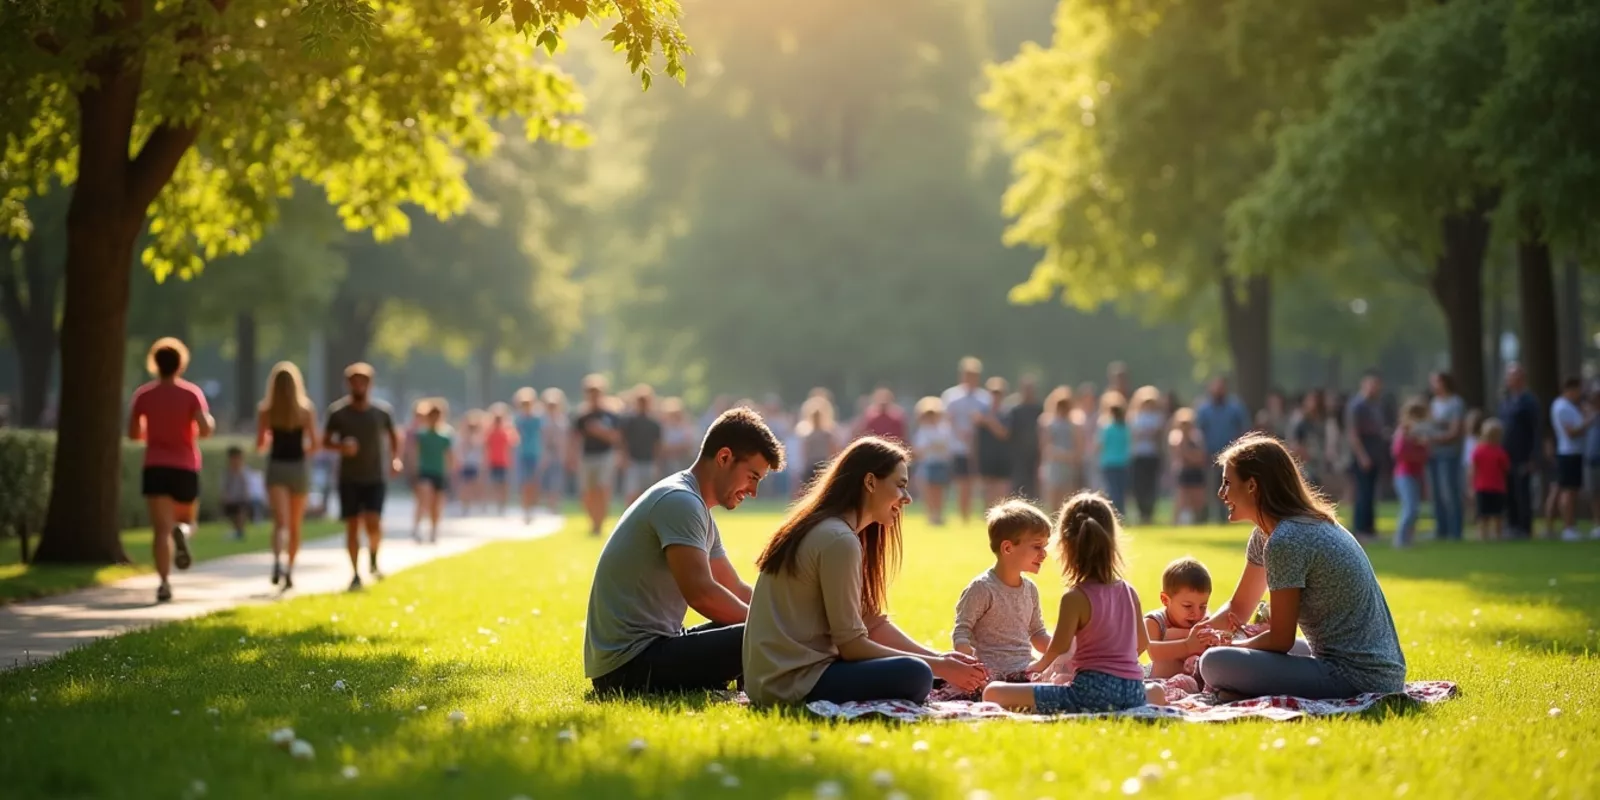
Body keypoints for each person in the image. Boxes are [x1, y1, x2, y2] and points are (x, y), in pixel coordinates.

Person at [743, 436, 988, 706]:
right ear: (870, 482)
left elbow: (871, 621)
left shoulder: (831, 530)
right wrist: (936, 667)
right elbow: (853, 647)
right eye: (900, 485)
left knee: (924, 669)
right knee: (916, 674)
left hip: (773, 681)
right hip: (793, 684)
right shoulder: (838, 540)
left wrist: (940, 659)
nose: (907, 498)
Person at [584, 408, 785, 695]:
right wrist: (776, 630)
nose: (753, 491)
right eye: (752, 476)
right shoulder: (680, 501)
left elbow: (735, 588)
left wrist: (787, 617)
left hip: (653, 648)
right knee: (758, 635)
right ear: (724, 457)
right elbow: (702, 594)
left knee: (760, 631)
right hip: (627, 667)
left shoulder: (696, 507)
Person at [1197, 434, 1406, 700]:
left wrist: (1231, 644)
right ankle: (1236, 688)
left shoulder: (1287, 539)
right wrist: (1196, 638)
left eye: (1227, 483)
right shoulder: (1270, 533)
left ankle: (1235, 688)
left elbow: (1280, 640)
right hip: (1363, 666)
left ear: (1252, 485)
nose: (1221, 493)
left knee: (1214, 662)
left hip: (1356, 676)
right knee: (1219, 653)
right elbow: (1239, 608)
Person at [983, 492, 1151, 714]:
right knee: (1154, 690)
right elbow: (1142, 643)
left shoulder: (1075, 598)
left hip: (1089, 693)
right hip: (1134, 692)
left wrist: (1039, 667)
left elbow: (1059, 647)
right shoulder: (1129, 592)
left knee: (993, 692)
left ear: (1067, 546)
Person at [127, 337, 215, 603]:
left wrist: (152, 433)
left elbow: (133, 434)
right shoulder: (191, 394)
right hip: (185, 465)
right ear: (180, 364)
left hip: (155, 465)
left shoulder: (143, 395)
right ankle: (184, 533)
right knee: (188, 521)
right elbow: (206, 430)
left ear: (155, 363)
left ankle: (164, 583)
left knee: (160, 531)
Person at [938, 500, 1053, 700]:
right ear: (1007, 548)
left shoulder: (1031, 590)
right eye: (1037, 546)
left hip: (1024, 671)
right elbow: (962, 630)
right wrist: (970, 666)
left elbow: (1037, 633)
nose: (1044, 554)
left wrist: (1065, 650)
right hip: (989, 675)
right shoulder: (982, 588)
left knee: (1059, 684)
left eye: (1045, 546)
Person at [323, 362, 400, 592]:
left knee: (373, 523)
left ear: (370, 384)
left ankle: (374, 557)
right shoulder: (337, 413)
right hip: (349, 478)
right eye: (354, 381)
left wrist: (395, 459)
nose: (359, 385)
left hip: (375, 476)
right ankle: (355, 573)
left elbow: (394, 437)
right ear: (348, 384)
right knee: (352, 525)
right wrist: (340, 447)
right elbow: (325, 441)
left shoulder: (382, 412)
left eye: (363, 381)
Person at [256, 360, 317, 589]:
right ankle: (290, 569)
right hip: (298, 467)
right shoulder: (305, 410)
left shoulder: (266, 411)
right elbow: (315, 443)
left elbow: (260, 443)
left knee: (280, 523)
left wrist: (270, 440)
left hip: (277, 467)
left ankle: (276, 561)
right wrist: (303, 448)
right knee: (295, 525)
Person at [1144, 557, 1223, 699]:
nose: (1196, 613)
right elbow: (1152, 651)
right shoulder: (1154, 621)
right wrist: (1188, 644)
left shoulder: (1202, 621)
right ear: (1165, 600)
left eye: (1203, 606)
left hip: (1192, 686)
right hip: (1159, 682)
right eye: (1188, 606)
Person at [941, 357, 992, 524]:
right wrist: (959, 432)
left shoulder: (985, 398)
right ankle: (964, 518)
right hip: (959, 446)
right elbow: (947, 419)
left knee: (978, 483)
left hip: (979, 447)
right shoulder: (951, 396)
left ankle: (982, 515)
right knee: (962, 482)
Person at [571, 375, 622, 536]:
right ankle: (593, 522)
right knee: (588, 492)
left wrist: (599, 432)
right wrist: (571, 457)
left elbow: (616, 437)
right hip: (587, 457)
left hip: (605, 456)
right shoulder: (582, 416)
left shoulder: (610, 415)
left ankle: (600, 524)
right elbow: (574, 438)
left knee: (602, 489)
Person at [1194, 377, 1250, 522]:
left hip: (1231, 456)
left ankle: (1227, 517)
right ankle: (1209, 518)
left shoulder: (1235, 407)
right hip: (1210, 455)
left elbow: (1243, 429)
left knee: (1229, 486)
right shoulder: (1204, 409)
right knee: (1212, 489)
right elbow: (1198, 432)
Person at [1547, 378, 1594, 541]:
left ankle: (1569, 525)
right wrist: (1590, 420)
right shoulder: (1562, 407)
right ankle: (1568, 527)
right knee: (1568, 492)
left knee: (1569, 491)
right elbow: (1571, 432)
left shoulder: (1569, 406)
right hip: (1569, 453)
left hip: (1573, 453)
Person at [1497, 363, 1541, 538]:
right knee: (1509, 490)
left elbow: (1535, 430)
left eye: (1513, 377)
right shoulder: (1505, 401)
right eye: (1509, 377)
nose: (1510, 380)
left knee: (1523, 490)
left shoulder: (1529, 401)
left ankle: (1524, 527)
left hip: (1523, 453)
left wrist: (1533, 456)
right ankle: (1512, 524)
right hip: (1506, 453)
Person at [1345, 370, 1387, 539]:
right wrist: (1362, 456)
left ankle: (1370, 528)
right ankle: (1360, 528)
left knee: (1371, 493)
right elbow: (1353, 433)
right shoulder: (1357, 406)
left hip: (1375, 453)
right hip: (1363, 455)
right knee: (1362, 492)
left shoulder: (1376, 405)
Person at [1425, 372, 1467, 541]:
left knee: (1449, 492)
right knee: (1436, 493)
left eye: (1436, 382)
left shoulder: (1455, 403)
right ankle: (1441, 530)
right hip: (1433, 453)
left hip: (1449, 454)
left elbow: (1455, 431)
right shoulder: (1434, 403)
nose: (1433, 386)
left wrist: (1432, 437)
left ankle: (1455, 531)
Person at [412, 402, 454, 544]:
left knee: (436, 504)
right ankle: (417, 527)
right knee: (424, 499)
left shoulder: (445, 436)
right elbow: (415, 453)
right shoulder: (421, 434)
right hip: (425, 471)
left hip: (439, 472)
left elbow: (449, 455)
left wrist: (451, 471)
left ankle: (434, 530)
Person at [910, 397, 956, 526]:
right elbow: (918, 449)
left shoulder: (944, 429)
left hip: (941, 463)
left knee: (940, 490)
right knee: (928, 490)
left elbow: (948, 446)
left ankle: (939, 514)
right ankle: (931, 516)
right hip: (928, 464)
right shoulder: (922, 430)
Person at [1391, 400, 1431, 549]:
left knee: (1415, 508)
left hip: (1417, 474)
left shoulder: (1420, 435)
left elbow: (1425, 455)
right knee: (1410, 508)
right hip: (1404, 474)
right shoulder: (1403, 432)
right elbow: (1399, 452)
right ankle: (1400, 540)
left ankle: (1408, 539)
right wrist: (1414, 445)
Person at [1041, 387, 1084, 513]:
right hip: (1054, 466)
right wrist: (1064, 455)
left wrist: (1070, 457)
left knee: (1068, 501)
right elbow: (1046, 447)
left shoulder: (1075, 424)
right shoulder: (1048, 423)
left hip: (1069, 466)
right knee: (1053, 498)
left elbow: (1079, 446)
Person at [620, 385, 665, 506]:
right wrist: (624, 458)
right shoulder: (629, 421)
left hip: (649, 461)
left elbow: (657, 445)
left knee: (648, 494)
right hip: (633, 461)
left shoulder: (654, 423)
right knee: (632, 493)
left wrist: (657, 463)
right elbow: (623, 441)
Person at [973, 377, 1014, 506]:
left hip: (1003, 455)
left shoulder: (1007, 412)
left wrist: (990, 421)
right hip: (986, 454)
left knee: (1002, 486)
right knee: (987, 487)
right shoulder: (982, 412)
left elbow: (1004, 433)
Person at [1128, 387, 1165, 525]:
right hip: (1138, 456)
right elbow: (1133, 434)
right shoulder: (1134, 417)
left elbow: (1158, 433)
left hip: (1152, 455)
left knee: (1151, 485)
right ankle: (1141, 512)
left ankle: (1149, 513)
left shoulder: (1157, 417)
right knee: (1139, 486)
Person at [794, 395, 840, 496]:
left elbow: (804, 452)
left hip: (812, 465)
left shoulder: (808, 434)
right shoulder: (826, 434)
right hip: (822, 464)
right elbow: (834, 450)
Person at [1006, 377, 1045, 501]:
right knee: (1018, 486)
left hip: (1035, 453)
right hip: (1018, 455)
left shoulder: (1039, 409)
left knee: (1034, 487)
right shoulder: (1015, 410)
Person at [1472, 419, 1510, 541]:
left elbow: (1505, 467)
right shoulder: (1479, 451)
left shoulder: (1499, 452)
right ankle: (1485, 535)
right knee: (1485, 514)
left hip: (1495, 487)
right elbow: (1473, 469)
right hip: (1485, 486)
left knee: (1495, 514)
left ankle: (1495, 535)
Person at [1169, 409, 1208, 525]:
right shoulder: (1175, 437)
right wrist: (1191, 456)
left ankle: (1199, 522)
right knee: (1181, 499)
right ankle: (1175, 523)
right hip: (1184, 471)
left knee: (1198, 500)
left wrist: (1190, 456)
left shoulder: (1197, 436)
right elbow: (1179, 454)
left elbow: (1201, 456)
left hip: (1196, 471)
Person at [512, 388, 545, 523]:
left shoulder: (537, 419)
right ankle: (526, 508)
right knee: (525, 482)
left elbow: (543, 435)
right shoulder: (518, 419)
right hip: (522, 453)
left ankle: (532, 507)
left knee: (534, 482)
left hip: (535, 453)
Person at [1097, 394, 1131, 517]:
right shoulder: (1125, 428)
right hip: (1122, 462)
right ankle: (1121, 513)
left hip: (1109, 462)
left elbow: (1099, 445)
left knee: (1111, 490)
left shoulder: (1107, 428)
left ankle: (1113, 513)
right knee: (1120, 491)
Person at [541, 388, 570, 514]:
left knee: (557, 480)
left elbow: (565, 439)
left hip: (559, 454)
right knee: (547, 480)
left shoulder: (562, 420)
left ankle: (555, 504)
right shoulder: (543, 421)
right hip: (547, 454)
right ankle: (549, 503)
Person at [484, 404, 517, 516]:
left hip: (504, 462)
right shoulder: (490, 432)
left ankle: (503, 504)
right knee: (495, 484)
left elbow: (512, 445)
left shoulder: (507, 431)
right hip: (493, 461)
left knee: (503, 484)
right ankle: (497, 503)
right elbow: (486, 447)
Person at [220, 446, 252, 541]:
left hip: (241, 498)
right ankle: (237, 532)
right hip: (231, 499)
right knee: (232, 516)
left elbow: (246, 486)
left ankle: (240, 532)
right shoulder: (227, 472)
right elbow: (225, 486)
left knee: (241, 513)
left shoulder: (244, 472)